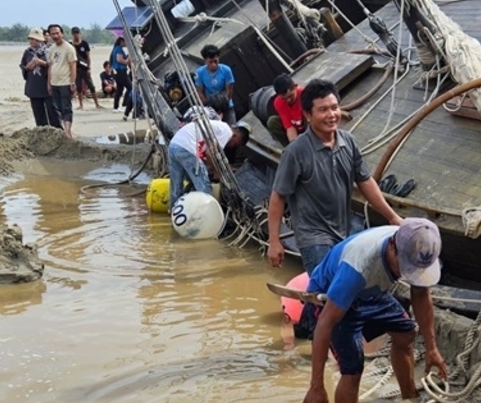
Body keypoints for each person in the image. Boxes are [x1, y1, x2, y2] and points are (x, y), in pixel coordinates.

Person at [299, 218, 448, 403]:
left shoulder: (415, 246)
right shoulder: (358, 267)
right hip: (331, 296)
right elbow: (325, 324)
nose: (408, 274)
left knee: (406, 332)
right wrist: (316, 385)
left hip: (371, 291)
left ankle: (409, 397)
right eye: (405, 267)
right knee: (353, 368)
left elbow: (421, 294)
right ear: (391, 247)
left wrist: (432, 349)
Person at [268, 79, 403, 275]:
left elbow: (365, 181)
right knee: (328, 292)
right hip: (313, 237)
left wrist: (393, 217)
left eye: (334, 108)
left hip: (344, 232)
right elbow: (278, 196)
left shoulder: (348, 142)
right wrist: (274, 241)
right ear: (307, 114)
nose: (331, 115)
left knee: (349, 291)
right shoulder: (295, 152)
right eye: (323, 110)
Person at [166, 118, 248, 207]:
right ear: (235, 136)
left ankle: (175, 211)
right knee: (205, 188)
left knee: (176, 187)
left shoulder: (218, 127)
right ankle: (203, 214)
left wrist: (210, 166)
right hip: (187, 148)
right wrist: (217, 172)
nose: (232, 147)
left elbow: (205, 155)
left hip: (174, 145)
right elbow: (210, 153)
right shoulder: (228, 132)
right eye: (235, 144)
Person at [20, 28, 60, 128]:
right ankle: (42, 132)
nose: (31, 41)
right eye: (30, 39)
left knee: (52, 110)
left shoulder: (49, 51)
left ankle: (58, 131)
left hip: (46, 85)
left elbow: (55, 65)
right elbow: (23, 65)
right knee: (38, 113)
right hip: (33, 85)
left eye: (33, 39)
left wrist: (42, 63)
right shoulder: (28, 52)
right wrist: (27, 67)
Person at [45, 24, 76, 138]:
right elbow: (50, 67)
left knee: (66, 107)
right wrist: (48, 83)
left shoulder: (69, 48)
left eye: (57, 33)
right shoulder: (51, 49)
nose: (55, 36)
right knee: (58, 108)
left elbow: (73, 65)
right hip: (54, 82)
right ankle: (64, 129)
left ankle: (68, 131)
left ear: (62, 34)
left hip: (65, 82)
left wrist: (73, 82)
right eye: (53, 34)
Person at [194, 44, 236, 125]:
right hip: (210, 108)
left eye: (215, 61)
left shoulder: (226, 70)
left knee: (232, 126)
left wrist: (223, 105)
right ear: (205, 61)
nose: (213, 64)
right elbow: (199, 92)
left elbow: (229, 91)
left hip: (226, 105)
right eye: (210, 62)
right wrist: (208, 106)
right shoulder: (200, 72)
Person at [268, 74, 305, 146]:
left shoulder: (304, 94)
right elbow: (290, 127)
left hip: (309, 125)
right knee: (272, 122)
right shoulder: (278, 102)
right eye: (284, 98)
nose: (288, 100)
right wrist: (295, 146)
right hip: (296, 129)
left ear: (295, 87)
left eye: (291, 96)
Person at [71, 26, 101, 110]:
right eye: (74, 33)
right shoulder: (71, 45)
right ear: (72, 34)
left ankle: (97, 104)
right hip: (76, 69)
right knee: (79, 87)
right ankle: (81, 104)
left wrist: (89, 68)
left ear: (80, 34)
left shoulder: (84, 44)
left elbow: (88, 57)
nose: (76, 35)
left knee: (91, 86)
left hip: (84, 67)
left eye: (77, 33)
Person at [110, 37, 132, 115]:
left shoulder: (116, 49)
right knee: (130, 87)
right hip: (120, 71)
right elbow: (119, 59)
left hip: (116, 72)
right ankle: (124, 105)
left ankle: (116, 107)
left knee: (120, 89)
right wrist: (126, 60)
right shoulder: (118, 49)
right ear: (121, 41)